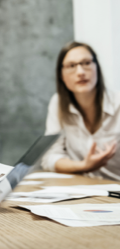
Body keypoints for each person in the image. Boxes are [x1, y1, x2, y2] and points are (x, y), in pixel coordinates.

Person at [41, 41, 119, 180]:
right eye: (71, 66)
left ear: (97, 67)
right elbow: (49, 157)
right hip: (82, 190)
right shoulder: (58, 103)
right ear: (61, 75)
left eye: (86, 63)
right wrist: (84, 166)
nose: (81, 72)